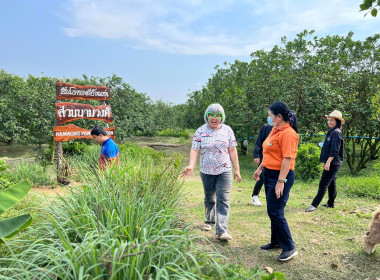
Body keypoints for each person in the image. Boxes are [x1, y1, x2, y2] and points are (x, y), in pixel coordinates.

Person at [181, 103, 241, 241]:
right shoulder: (200, 131)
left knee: (223, 199)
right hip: (206, 170)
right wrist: (191, 165)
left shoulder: (227, 130)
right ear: (207, 116)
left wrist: (237, 169)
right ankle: (209, 221)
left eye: (218, 115)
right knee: (209, 198)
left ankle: (221, 230)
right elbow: (195, 149)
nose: (214, 118)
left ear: (222, 117)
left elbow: (232, 149)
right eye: (211, 115)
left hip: (224, 169)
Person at [253, 102, 299, 262]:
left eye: (270, 114)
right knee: (272, 210)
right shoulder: (275, 130)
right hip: (269, 174)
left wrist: (281, 181)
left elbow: (287, 158)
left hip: (281, 176)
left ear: (279, 116)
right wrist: (260, 169)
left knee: (276, 211)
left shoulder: (288, 134)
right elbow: (269, 153)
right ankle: (276, 241)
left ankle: (289, 247)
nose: (269, 117)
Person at [305, 110, 344, 212]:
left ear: (337, 121)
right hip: (330, 161)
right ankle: (330, 203)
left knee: (323, 184)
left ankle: (314, 204)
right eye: (329, 120)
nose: (329, 122)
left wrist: (328, 162)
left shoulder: (336, 132)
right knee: (332, 183)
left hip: (334, 162)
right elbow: (327, 148)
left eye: (332, 120)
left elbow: (335, 150)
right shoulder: (331, 131)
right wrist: (324, 161)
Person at [251, 116, 274, 206]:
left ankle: (271, 199)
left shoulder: (281, 129)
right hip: (263, 157)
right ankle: (255, 195)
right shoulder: (266, 127)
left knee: (271, 178)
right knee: (262, 177)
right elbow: (258, 142)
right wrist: (256, 155)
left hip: (274, 158)